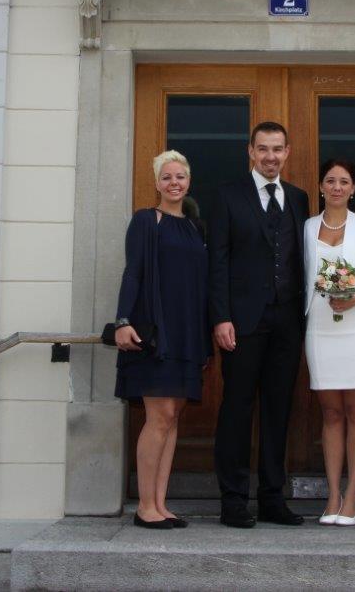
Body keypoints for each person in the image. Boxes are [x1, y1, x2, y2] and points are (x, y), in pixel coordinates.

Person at [208, 121, 309, 528]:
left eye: (277, 149)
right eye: (263, 149)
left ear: (287, 153)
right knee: (237, 408)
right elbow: (217, 260)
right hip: (242, 321)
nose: (270, 156)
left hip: (288, 321)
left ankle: (272, 498)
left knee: (279, 409)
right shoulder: (227, 195)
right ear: (250, 151)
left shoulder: (299, 198)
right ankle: (233, 500)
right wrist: (221, 316)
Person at [114, 150, 210, 530]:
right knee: (159, 416)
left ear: (189, 182)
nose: (174, 183)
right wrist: (122, 321)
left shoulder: (196, 227)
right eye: (167, 177)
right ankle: (144, 507)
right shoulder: (145, 220)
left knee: (172, 418)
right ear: (156, 182)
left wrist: (203, 339)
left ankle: (160, 503)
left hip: (187, 332)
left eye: (180, 177)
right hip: (155, 331)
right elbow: (133, 273)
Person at [303, 158, 355, 527]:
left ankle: (352, 495)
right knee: (331, 412)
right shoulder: (307, 227)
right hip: (320, 326)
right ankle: (332, 494)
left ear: (353, 189)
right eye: (330, 181)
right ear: (321, 186)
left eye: (344, 181)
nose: (337, 187)